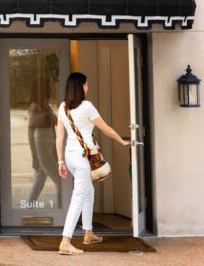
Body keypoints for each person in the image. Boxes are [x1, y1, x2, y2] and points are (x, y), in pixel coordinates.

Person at [55, 72, 130, 255]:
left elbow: (59, 137)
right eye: (86, 85)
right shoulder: (87, 106)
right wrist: (122, 141)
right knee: (78, 198)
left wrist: (60, 162)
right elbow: (105, 129)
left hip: (71, 157)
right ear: (80, 87)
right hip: (83, 158)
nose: (88, 87)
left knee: (89, 192)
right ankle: (65, 241)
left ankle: (88, 233)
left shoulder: (63, 107)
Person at [25, 76, 60, 205]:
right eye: (49, 86)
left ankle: (28, 209)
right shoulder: (35, 108)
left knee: (39, 181)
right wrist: (35, 157)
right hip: (42, 149)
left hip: (50, 146)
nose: (51, 89)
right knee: (60, 181)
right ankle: (62, 215)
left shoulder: (46, 106)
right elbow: (30, 133)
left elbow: (56, 122)